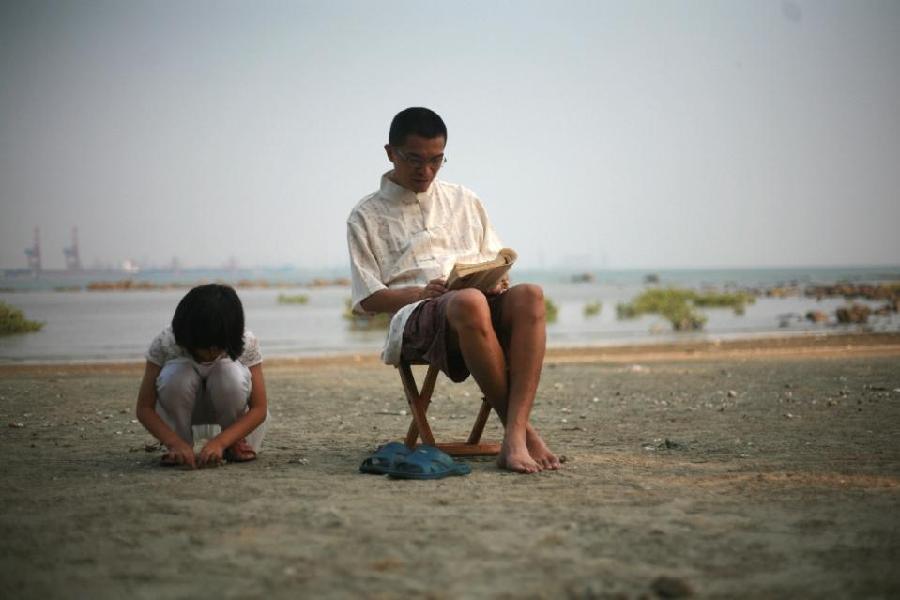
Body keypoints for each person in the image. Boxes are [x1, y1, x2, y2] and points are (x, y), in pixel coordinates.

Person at [347, 107, 560, 474]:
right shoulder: (366, 215)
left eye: (436, 161)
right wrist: (419, 294)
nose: (425, 171)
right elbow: (367, 298)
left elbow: (494, 257)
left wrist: (496, 277)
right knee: (469, 301)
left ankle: (514, 434)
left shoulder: (465, 199)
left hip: (473, 303)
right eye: (414, 160)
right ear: (389, 152)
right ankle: (522, 435)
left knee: (530, 295)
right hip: (418, 317)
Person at [135, 284, 269, 468]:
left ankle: (234, 442)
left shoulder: (244, 342)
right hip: (181, 412)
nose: (211, 353)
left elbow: (259, 408)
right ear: (187, 337)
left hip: (232, 415)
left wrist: (221, 442)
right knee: (176, 376)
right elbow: (144, 408)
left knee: (229, 373)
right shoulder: (167, 342)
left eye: (218, 346)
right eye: (205, 347)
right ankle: (181, 443)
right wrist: (174, 442)